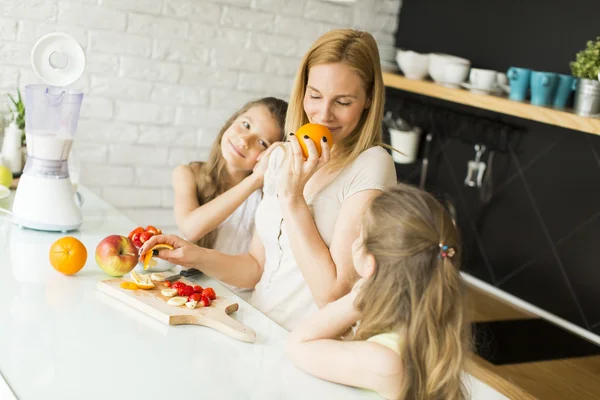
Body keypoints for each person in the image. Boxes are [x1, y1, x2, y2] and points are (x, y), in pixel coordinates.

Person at [140, 29, 397, 330]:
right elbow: (255, 267)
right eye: (314, 96)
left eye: (342, 102)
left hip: (310, 346)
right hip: (256, 325)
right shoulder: (281, 157)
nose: (323, 115)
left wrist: (292, 197)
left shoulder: (372, 166)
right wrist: (194, 254)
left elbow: (332, 295)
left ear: (368, 100)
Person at [286, 183, 471, 400]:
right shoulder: (429, 332)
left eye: (361, 236)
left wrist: (359, 298)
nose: (355, 242)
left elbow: (298, 344)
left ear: (369, 264)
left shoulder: (385, 361)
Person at [172, 97, 287, 299]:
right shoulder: (188, 174)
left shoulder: (266, 199)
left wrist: (258, 179)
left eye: (262, 142)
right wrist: (254, 180)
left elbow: (253, 272)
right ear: (232, 120)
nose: (244, 141)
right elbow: (190, 228)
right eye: (246, 125)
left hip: (234, 299)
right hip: (187, 291)